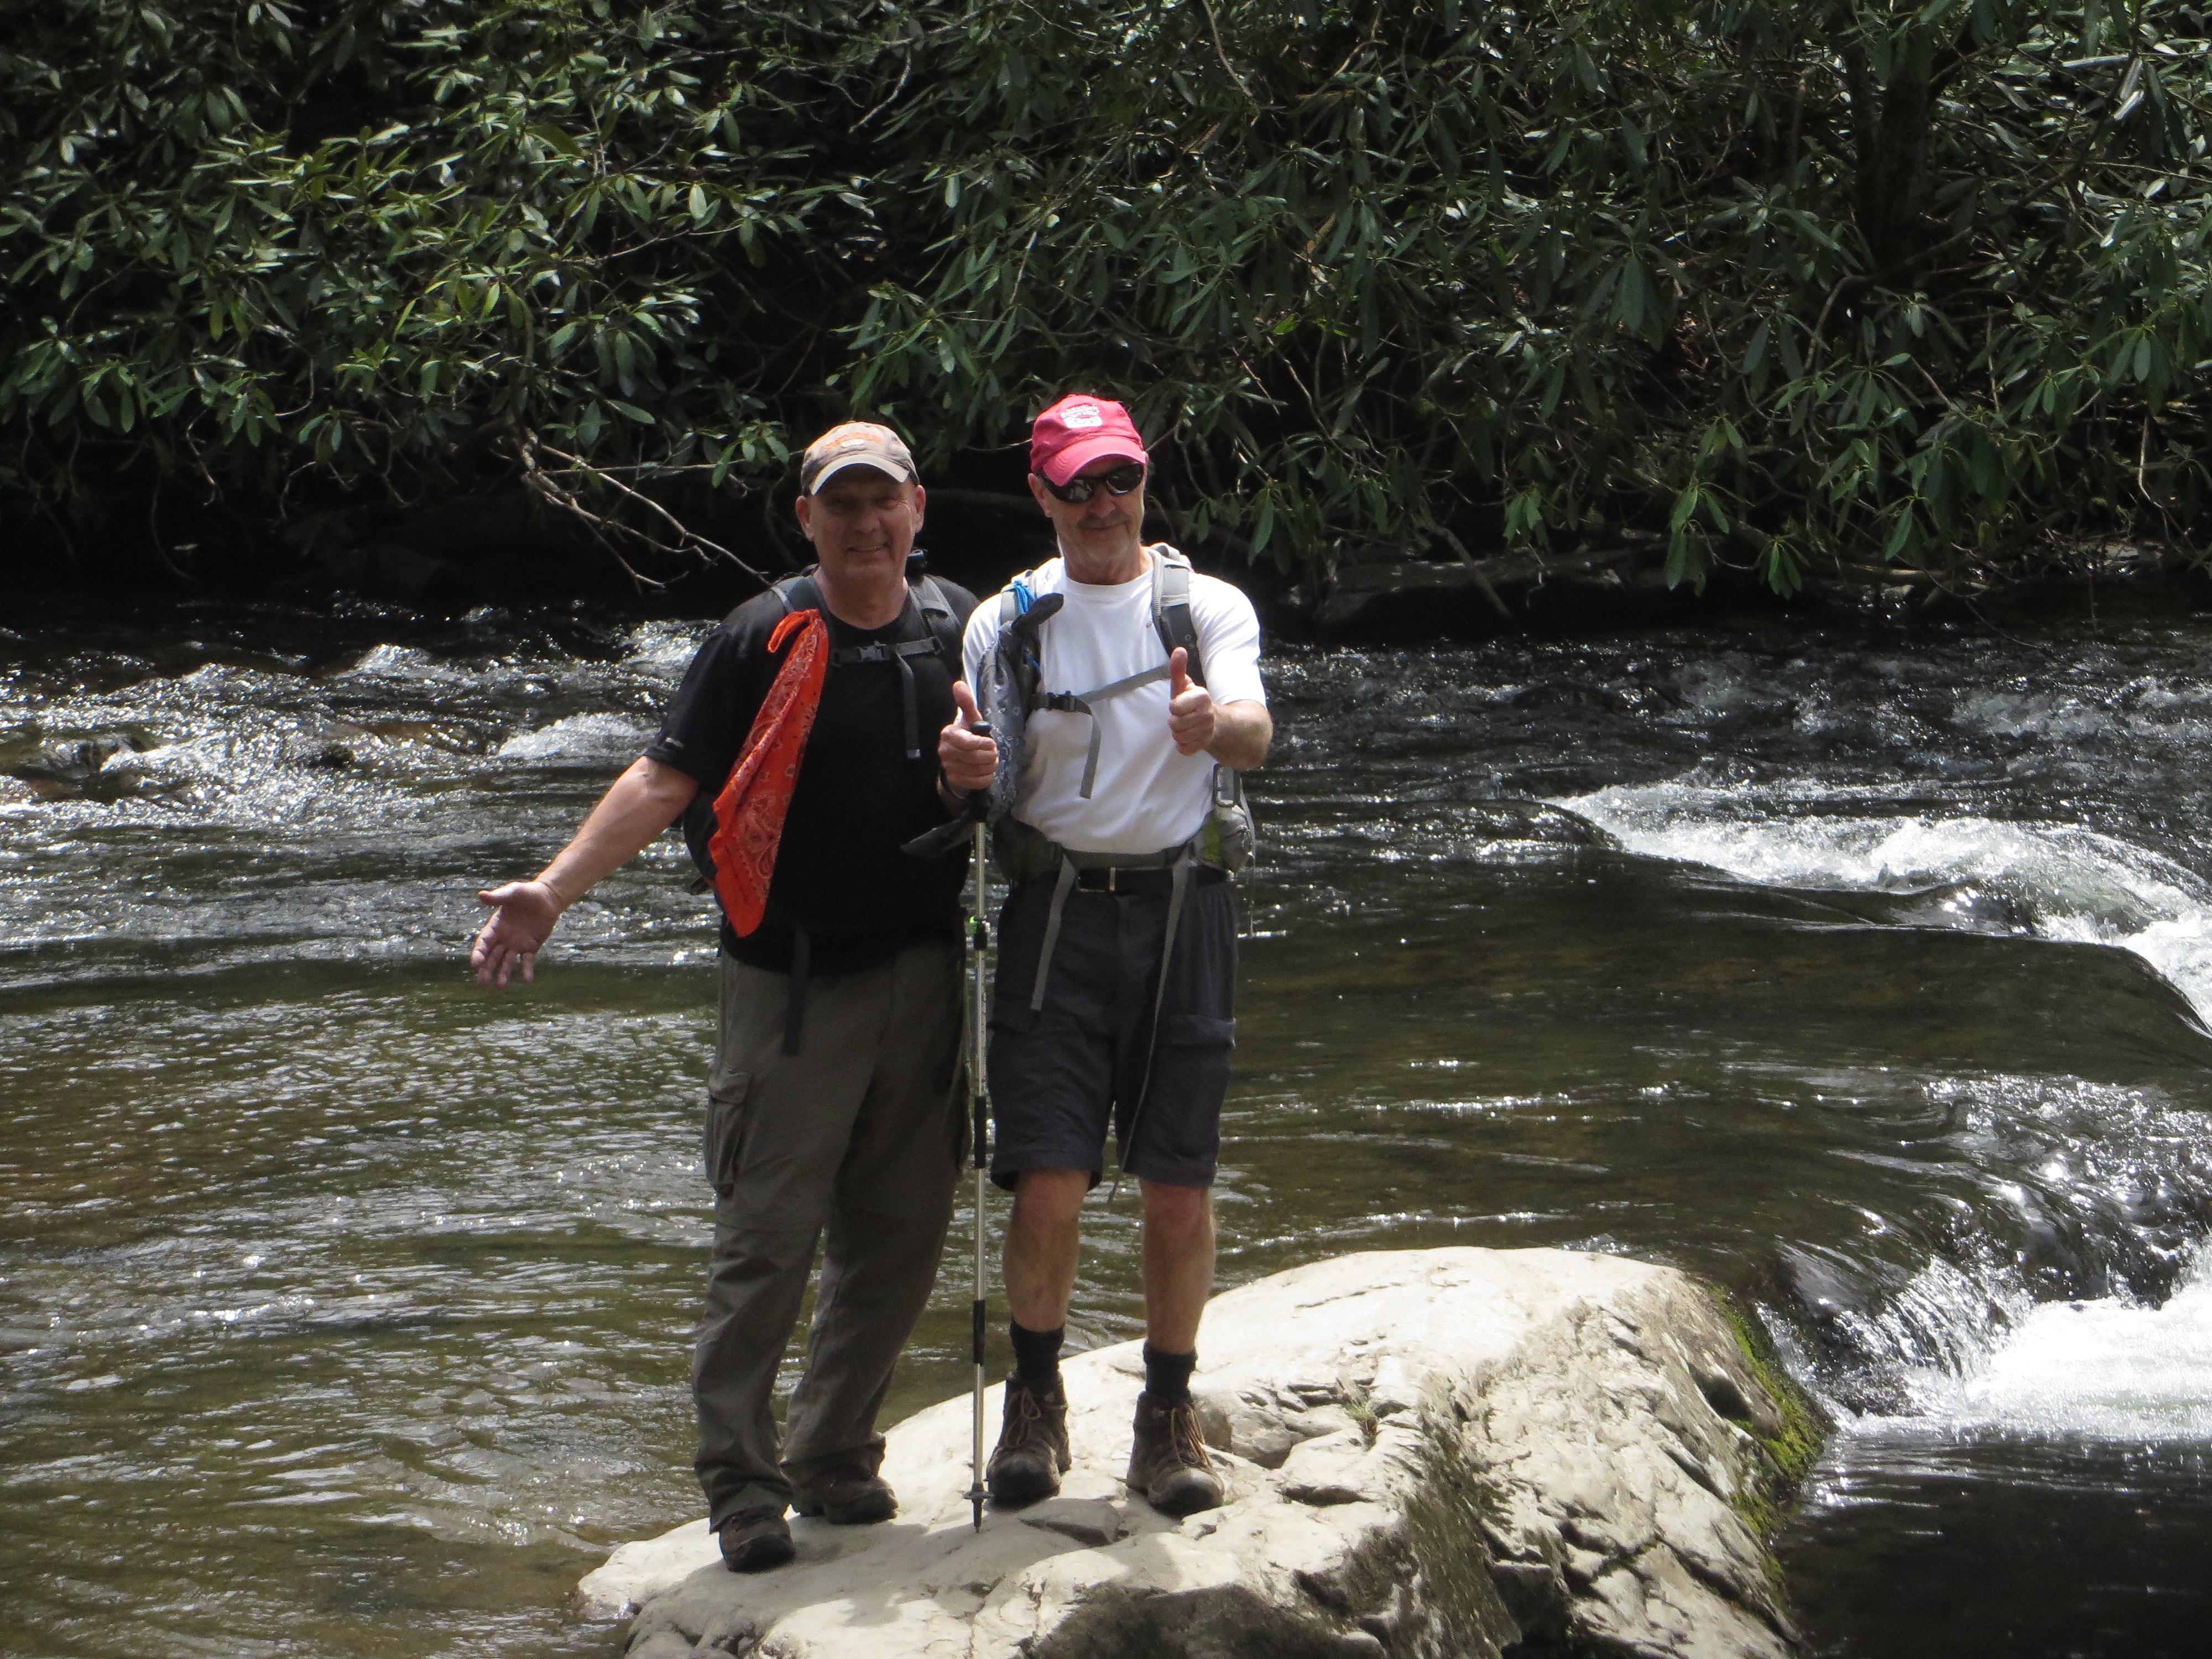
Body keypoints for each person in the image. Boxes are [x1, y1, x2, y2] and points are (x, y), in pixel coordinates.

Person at [469, 422, 997, 1572]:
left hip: (924, 973)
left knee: (902, 1234)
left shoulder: (962, 623)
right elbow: (665, 778)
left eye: (883, 504)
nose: (865, 526)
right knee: (767, 1244)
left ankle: (835, 1456)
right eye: (840, 507)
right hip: (792, 989)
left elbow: (1031, 765)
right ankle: (741, 1488)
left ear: (916, 512)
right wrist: (553, 893)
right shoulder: (756, 638)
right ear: (806, 520)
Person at [940, 393, 1272, 1516]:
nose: (1100, 505)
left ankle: (1164, 1415)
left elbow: (1258, 734)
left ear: (1144, 483)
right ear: (1040, 495)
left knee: (1177, 1186)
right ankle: (1034, 1403)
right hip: (1054, 920)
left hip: (1185, 912)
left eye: (1116, 480)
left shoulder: (1204, 605)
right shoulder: (1007, 620)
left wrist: (1211, 729)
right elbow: (975, 771)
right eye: (1075, 485)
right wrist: (962, 770)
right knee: (1049, 1179)